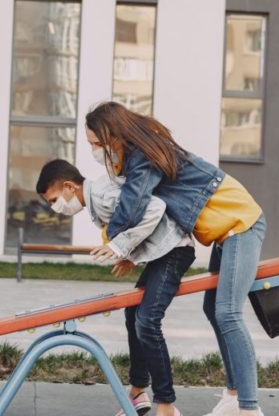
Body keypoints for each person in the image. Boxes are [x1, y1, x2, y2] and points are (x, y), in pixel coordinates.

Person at [86, 101, 267, 416]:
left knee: (228, 313)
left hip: (241, 223)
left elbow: (134, 204)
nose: (96, 151)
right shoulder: (143, 151)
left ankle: (249, 409)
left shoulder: (143, 156)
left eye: (97, 144)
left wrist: (115, 242)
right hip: (226, 233)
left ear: (115, 136)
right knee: (214, 309)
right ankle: (235, 394)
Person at [36, 159, 194, 416]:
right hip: (162, 252)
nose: (55, 208)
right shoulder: (96, 199)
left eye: (54, 200)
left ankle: (166, 405)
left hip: (175, 250)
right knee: (133, 313)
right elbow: (137, 216)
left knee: (148, 321)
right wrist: (130, 256)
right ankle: (138, 391)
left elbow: (155, 208)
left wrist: (119, 247)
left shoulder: (101, 194)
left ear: (68, 186)